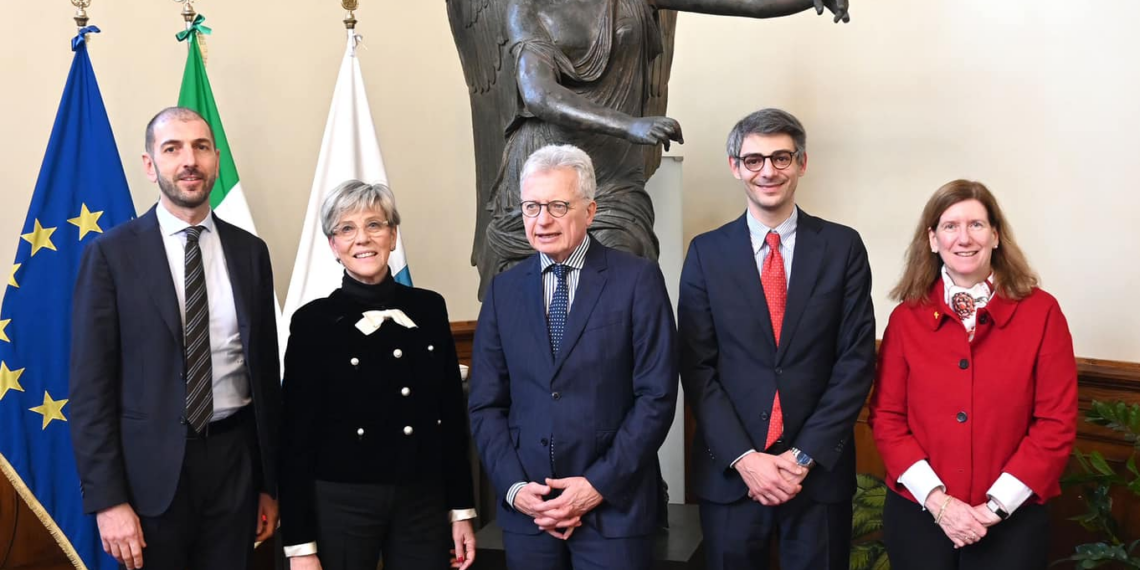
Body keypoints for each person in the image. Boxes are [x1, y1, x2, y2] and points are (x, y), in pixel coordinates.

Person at [449, 0, 852, 298]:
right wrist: (630, 125)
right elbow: (538, 94)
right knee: (532, 299)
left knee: (628, 283)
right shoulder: (527, 5)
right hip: (546, 169)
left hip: (610, 172)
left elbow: (744, 2)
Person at [69, 107, 281, 570]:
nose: (190, 160)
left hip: (235, 467)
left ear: (216, 160)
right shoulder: (110, 255)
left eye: (201, 147)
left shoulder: (250, 253)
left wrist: (268, 484)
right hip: (149, 481)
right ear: (150, 165)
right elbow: (90, 391)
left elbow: (265, 375)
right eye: (173, 149)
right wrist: (108, 501)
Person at [678, 108, 876, 570]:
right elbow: (697, 368)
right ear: (735, 167)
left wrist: (802, 458)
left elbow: (855, 362)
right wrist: (745, 458)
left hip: (818, 475)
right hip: (732, 475)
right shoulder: (706, 253)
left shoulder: (843, 248)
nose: (768, 171)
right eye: (753, 160)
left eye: (781, 157)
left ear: (802, 163)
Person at [468, 144, 678, 570]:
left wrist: (595, 486)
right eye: (531, 206)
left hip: (613, 512)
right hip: (531, 515)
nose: (542, 220)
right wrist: (514, 489)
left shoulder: (637, 280)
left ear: (590, 210)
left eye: (557, 205)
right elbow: (486, 402)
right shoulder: (503, 291)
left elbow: (656, 397)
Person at [868, 180, 1078, 570]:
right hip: (919, 516)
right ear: (932, 239)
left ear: (996, 235)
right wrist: (939, 503)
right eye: (950, 226)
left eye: (976, 225)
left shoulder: (1042, 312)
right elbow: (887, 419)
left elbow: (1055, 423)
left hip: (1012, 522)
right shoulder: (905, 318)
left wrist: (993, 509)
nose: (964, 238)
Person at [278, 180, 478, 570]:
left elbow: (451, 418)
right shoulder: (313, 322)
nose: (362, 239)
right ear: (333, 245)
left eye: (375, 225)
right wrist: (300, 546)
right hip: (342, 503)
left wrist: (462, 510)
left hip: (422, 499)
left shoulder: (429, 308)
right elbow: (295, 439)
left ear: (393, 234)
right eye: (346, 229)